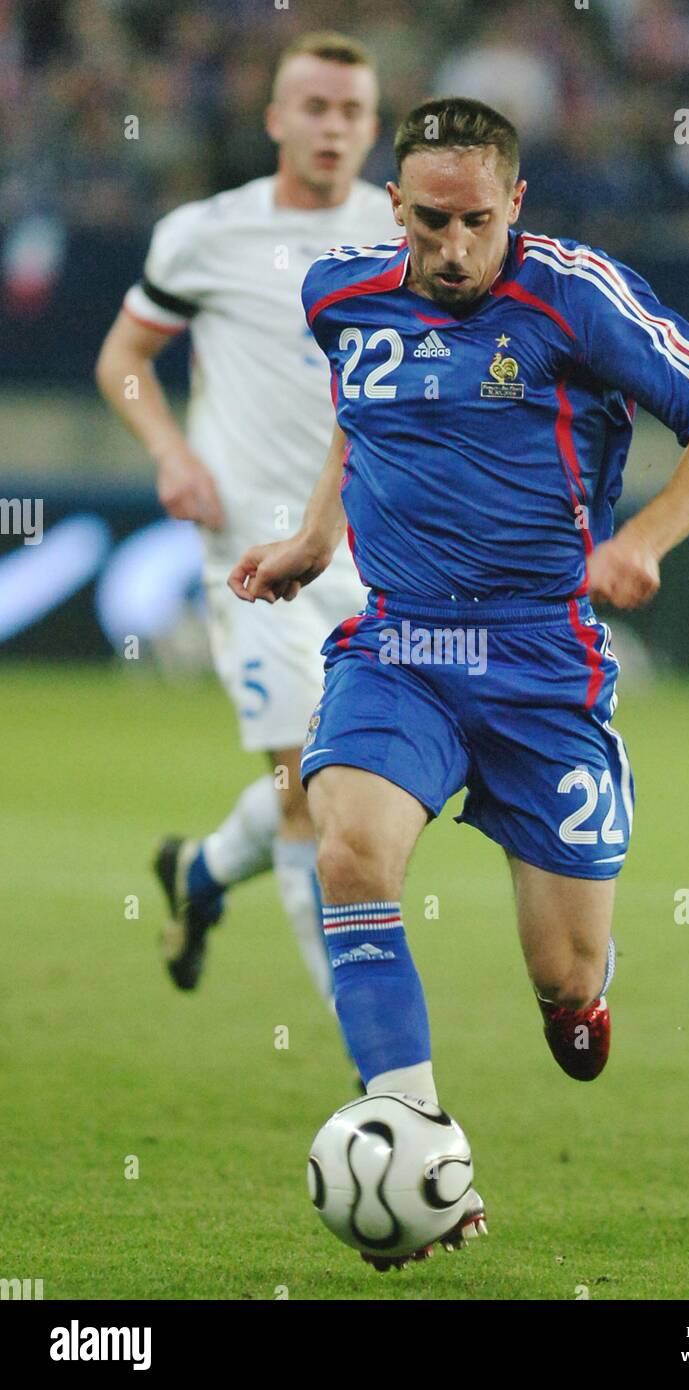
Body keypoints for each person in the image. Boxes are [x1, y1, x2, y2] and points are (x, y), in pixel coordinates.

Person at [228, 96, 689, 1266]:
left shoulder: (577, 297)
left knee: (560, 975)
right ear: (394, 207)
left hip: (539, 660)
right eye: (427, 222)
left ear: (512, 203)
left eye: (473, 221)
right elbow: (355, 413)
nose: (450, 248)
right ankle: (412, 1127)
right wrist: (316, 538)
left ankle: (578, 995)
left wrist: (644, 542)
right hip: (400, 644)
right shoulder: (340, 295)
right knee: (347, 843)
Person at [95, 33, 395, 1010]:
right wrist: (170, 451)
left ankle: (204, 869)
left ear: (372, 126)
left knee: (355, 787)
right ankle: (377, 1079)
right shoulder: (205, 233)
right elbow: (124, 359)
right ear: (274, 119)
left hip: (378, 549)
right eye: (313, 107)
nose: (332, 127)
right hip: (255, 559)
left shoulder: (401, 236)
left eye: (351, 111)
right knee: (317, 791)